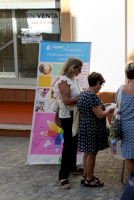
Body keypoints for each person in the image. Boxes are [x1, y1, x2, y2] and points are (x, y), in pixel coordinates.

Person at [77, 72, 115, 187]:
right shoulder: (92, 96)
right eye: (101, 84)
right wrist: (109, 110)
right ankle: (90, 179)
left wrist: (104, 105)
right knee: (92, 153)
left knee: (87, 153)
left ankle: (85, 175)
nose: (100, 87)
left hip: (84, 126)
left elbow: (93, 108)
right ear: (97, 82)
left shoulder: (83, 93)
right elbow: (100, 114)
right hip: (92, 128)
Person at [53, 57, 84, 189]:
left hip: (75, 115)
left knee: (73, 143)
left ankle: (72, 167)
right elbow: (66, 101)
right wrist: (83, 96)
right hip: (68, 116)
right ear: (73, 68)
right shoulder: (63, 81)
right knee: (69, 145)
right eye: (79, 68)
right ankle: (63, 176)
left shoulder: (73, 80)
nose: (80, 71)